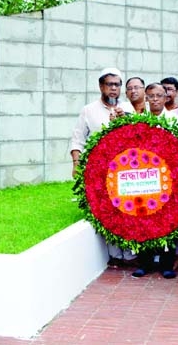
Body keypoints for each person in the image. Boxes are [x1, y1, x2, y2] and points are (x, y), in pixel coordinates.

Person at [70, 67, 135, 267]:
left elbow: (137, 138)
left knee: (127, 210)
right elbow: (77, 139)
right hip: (99, 171)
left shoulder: (128, 109)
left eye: (117, 85)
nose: (114, 89)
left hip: (125, 171)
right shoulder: (88, 110)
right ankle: (115, 254)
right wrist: (76, 164)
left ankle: (130, 254)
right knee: (107, 211)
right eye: (110, 84)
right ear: (101, 86)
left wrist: (126, 121)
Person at [131, 83, 177, 279]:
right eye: (152, 96)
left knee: (167, 220)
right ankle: (145, 262)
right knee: (143, 218)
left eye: (159, 95)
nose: (156, 99)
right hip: (145, 178)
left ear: (166, 98)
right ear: (146, 98)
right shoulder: (138, 121)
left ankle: (167, 264)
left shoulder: (175, 120)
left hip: (167, 177)